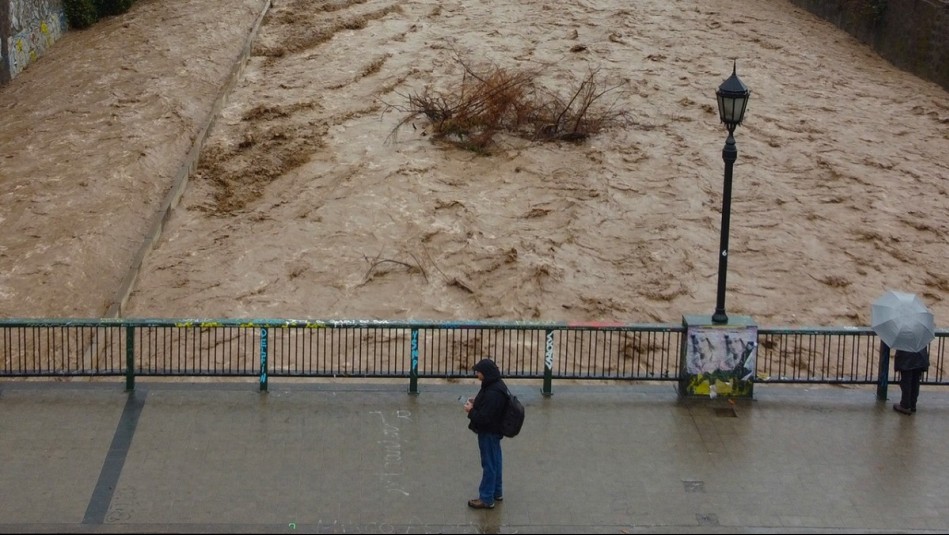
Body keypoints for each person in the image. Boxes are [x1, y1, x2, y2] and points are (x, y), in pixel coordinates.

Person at [463, 358, 507, 509]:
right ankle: (497, 492)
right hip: (495, 431)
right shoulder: (496, 385)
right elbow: (489, 407)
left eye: (479, 372)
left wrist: (470, 411)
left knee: (488, 464)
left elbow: (484, 418)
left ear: (486, 373)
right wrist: (477, 402)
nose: (477, 374)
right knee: (496, 461)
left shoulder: (493, 392)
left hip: (489, 432)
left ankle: (487, 498)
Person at [893, 346, 930, 415]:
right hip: (919, 357)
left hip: (906, 358)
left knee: (906, 381)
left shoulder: (904, 335)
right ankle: (913, 405)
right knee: (915, 381)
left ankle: (905, 405)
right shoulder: (921, 336)